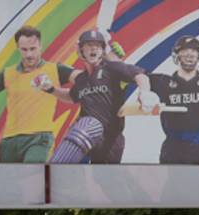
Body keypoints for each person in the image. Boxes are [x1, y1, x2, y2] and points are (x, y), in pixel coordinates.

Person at [0, 26, 75, 162]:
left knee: (31, 173)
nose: (29, 54)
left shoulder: (55, 69)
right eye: (24, 49)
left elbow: (81, 78)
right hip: (9, 141)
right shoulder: (7, 74)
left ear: (40, 46)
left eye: (33, 49)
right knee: (5, 182)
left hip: (39, 138)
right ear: (18, 48)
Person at [51, 30, 153, 164]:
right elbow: (71, 96)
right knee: (82, 129)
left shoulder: (112, 69)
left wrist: (144, 92)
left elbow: (140, 75)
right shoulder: (81, 79)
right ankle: (54, 172)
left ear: (103, 50)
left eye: (97, 46)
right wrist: (51, 89)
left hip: (109, 139)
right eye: (89, 45)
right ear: (81, 50)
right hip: (87, 138)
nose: (93, 48)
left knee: (104, 180)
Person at [149, 35, 199, 164]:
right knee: (174, 184)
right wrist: (143, 94)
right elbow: (136, 74)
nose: (190, 53)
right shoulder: (163, 81)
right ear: (177, 55)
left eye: (194, 51)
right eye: (185, 50)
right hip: (173, 150)